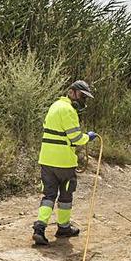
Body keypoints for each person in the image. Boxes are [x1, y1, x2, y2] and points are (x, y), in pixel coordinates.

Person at [33, 80, 97, 246]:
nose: (83, 100)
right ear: (72, 92)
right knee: (66, 195)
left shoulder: (54, 106)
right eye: (83, 96)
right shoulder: (69, 110)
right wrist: (88, 137)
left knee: (48, 195)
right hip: (63, 162)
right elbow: (75, 138)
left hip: (46, 160)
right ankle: (63, 227)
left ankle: (39, 228)